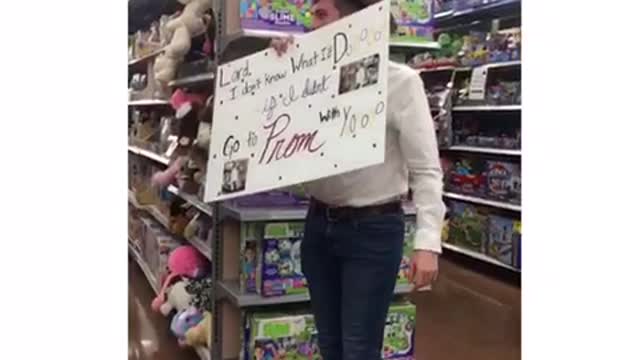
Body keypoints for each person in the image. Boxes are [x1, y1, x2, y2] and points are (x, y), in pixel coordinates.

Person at [271, 1, 445, 359]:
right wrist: (276, 70)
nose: (311, 25)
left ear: (354, 20)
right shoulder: (310, 81)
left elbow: (426, 169)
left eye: (321, 15)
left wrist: (428, 242)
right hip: (319, 225)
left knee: (359, 348)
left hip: (373, 230)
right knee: (331, 343)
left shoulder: (400, 82)